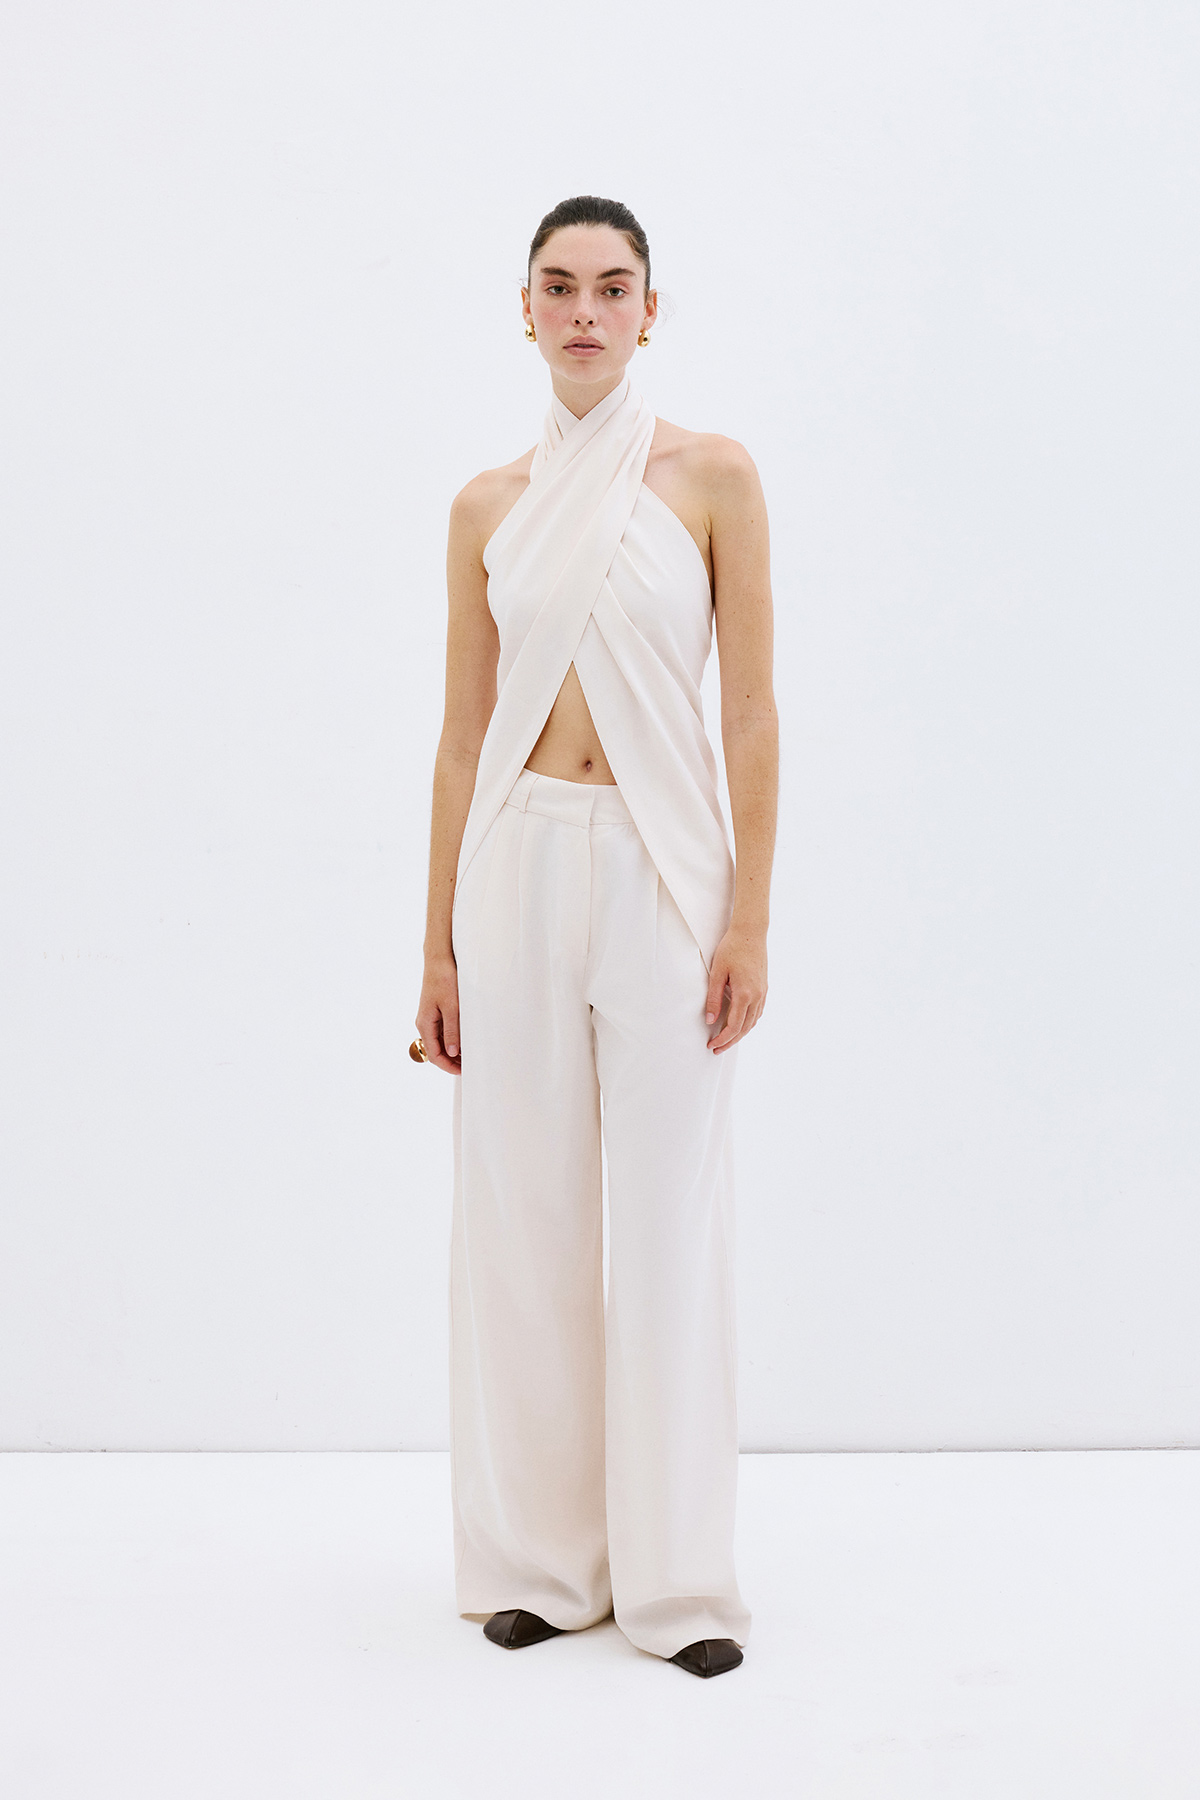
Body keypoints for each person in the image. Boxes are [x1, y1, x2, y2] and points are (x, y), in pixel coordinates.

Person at [414, 195, 778, 1679]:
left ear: (648, 310)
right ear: (524, 309)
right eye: (558, 287)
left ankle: (679, 1585)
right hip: (516, 867)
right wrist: (435, 948)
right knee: (524, 1217)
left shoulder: (714, 476)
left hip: (662, 867)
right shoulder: (486, 506)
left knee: (669, 1219)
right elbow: (461, 736)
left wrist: (748, 916)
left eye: (611, 287)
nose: (584, 311)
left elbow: (747, 710)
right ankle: (546, 1570)